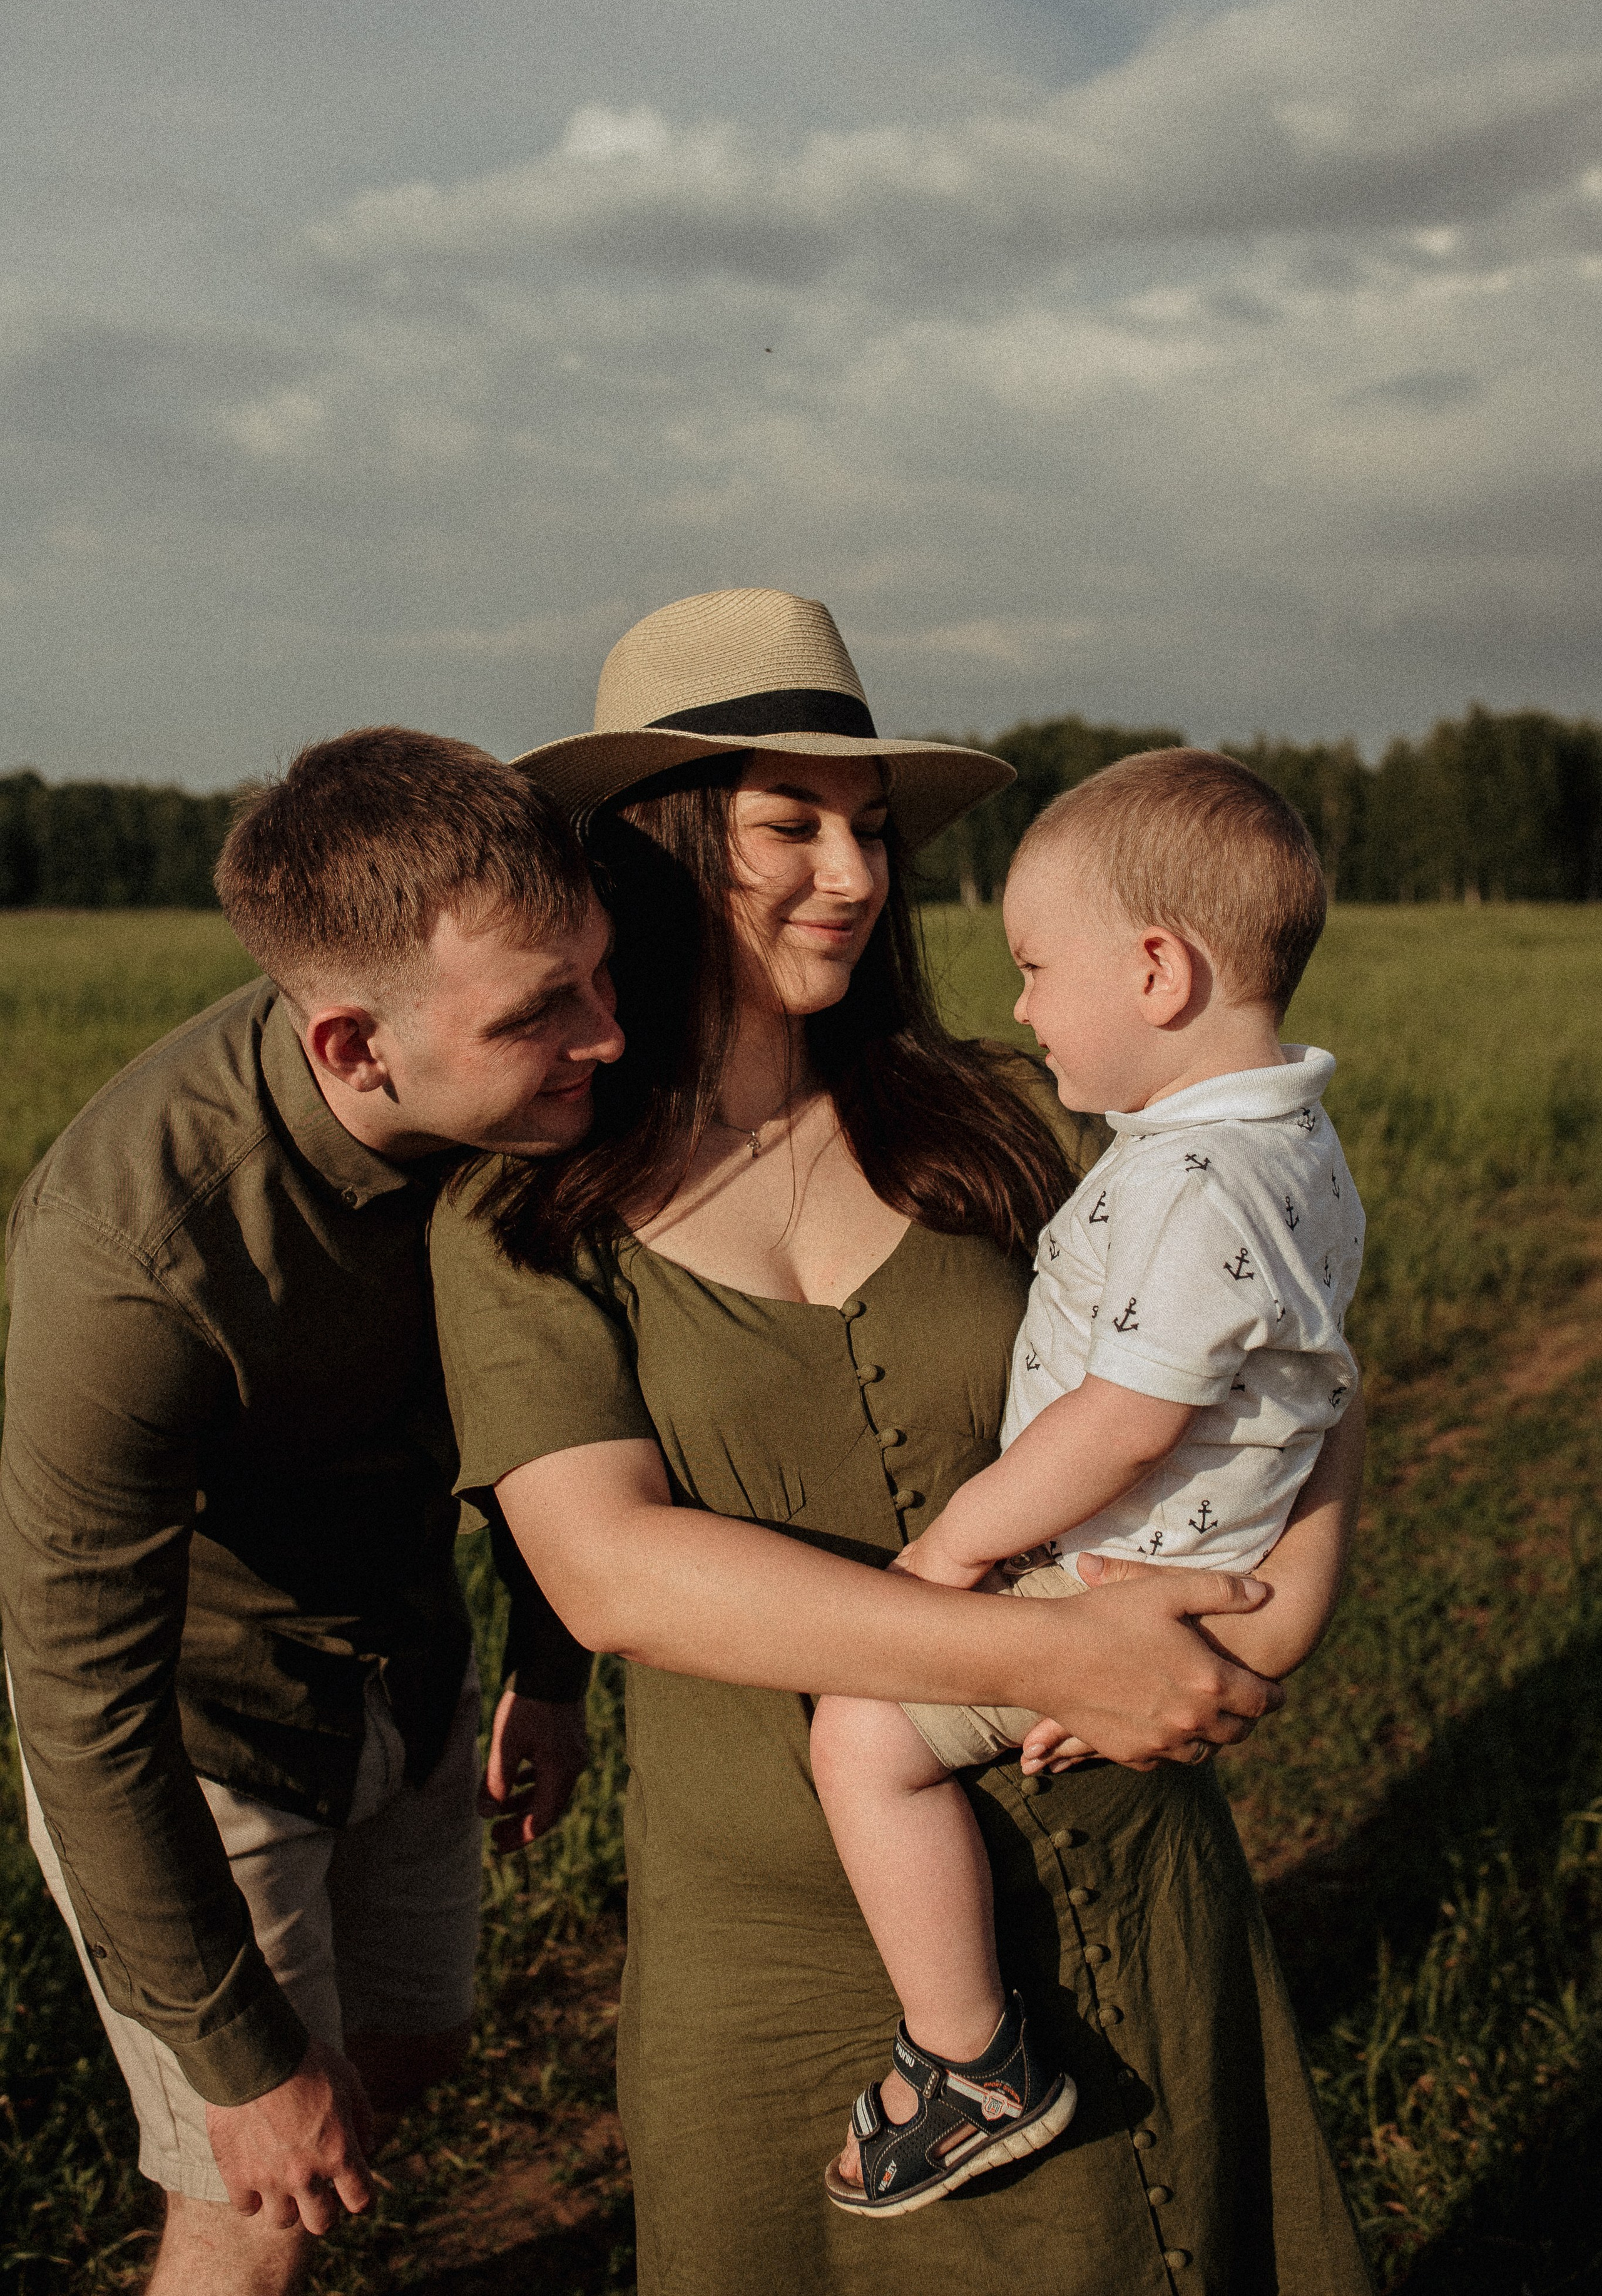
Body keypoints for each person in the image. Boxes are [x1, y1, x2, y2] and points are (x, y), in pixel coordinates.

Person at [428, 587, 1374, 2295]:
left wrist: (1283, 1605)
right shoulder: (522, 1214)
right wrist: (1049, 1652)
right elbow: (611, 1574)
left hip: (1118, 1877)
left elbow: (1278, 1364)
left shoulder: (987, 1118)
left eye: (870, 829)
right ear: (657, 843)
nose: (854, 875)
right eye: (790, 825)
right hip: (775, 1959)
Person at [0, 728, 622, 2296]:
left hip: (408, 1673)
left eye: (597, 977)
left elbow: (549, 1394)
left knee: (407, 2053)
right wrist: (239, 2055)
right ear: (354, 1046)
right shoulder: (132, 1256)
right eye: (540, 1010)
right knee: (262, 2201)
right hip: (208, 1744)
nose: (607, 1035)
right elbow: (80, 1701)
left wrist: (550, 1670)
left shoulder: (521, 1102)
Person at [809, 749, 1366, 2217]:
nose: (1019, 1006)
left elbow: (1120, 1425)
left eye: (1035, 967)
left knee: (861, 1733)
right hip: (1197, 1567)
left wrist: (952, 1549)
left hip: (1117, 1574)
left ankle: (964, 2059)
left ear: (1156, 972)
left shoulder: (1191, 1181)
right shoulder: (1286, 1140)